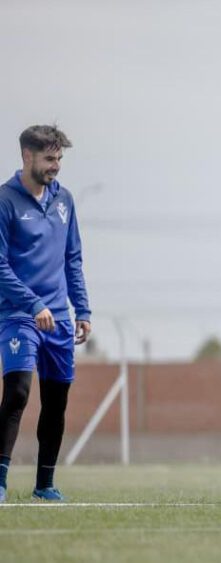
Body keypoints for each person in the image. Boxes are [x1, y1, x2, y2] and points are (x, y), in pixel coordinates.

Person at [0, 125, 91, 503]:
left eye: (59, 159)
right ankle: (0, 482)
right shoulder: (5, 200)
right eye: (49, 158)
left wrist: (82, 309)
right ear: (27, 156)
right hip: (19, 314)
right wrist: (33, 304)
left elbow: (73, 259)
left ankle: (45, 485)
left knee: (57, 401)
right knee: (18, 391)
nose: (55, 166)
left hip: (59, 318)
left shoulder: (65, 200)